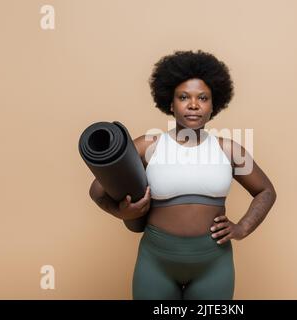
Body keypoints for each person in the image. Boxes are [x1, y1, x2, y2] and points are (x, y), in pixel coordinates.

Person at [89, 50, 277, 300]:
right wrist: (120, 212)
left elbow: (265, 191)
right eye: (183, 97)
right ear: (170, 102)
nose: (193, 105)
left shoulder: (229, 149)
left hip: (214, 263)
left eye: (203, 98)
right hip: (156, 262)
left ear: (214, 105)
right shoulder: (147, 146)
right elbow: (97, 190)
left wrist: (242, 227)